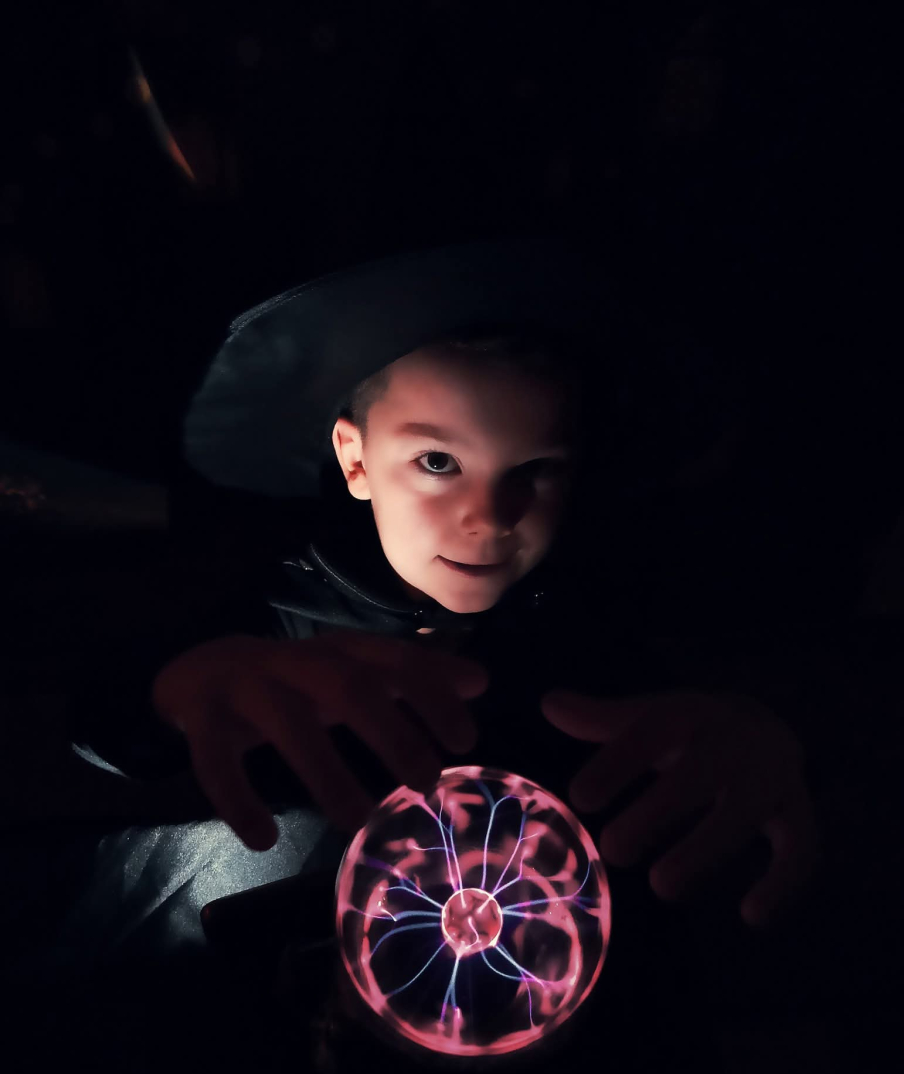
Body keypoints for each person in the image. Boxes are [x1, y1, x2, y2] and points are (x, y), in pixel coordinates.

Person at [68, 236, 820, 940]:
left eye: (534, 470)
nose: (489, 518)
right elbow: (105, 727)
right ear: (355, 461)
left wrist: (770, 735)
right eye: (437, 462)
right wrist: (167, 696)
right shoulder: (268, 610)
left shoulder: (592, 619)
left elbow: (701, 718)